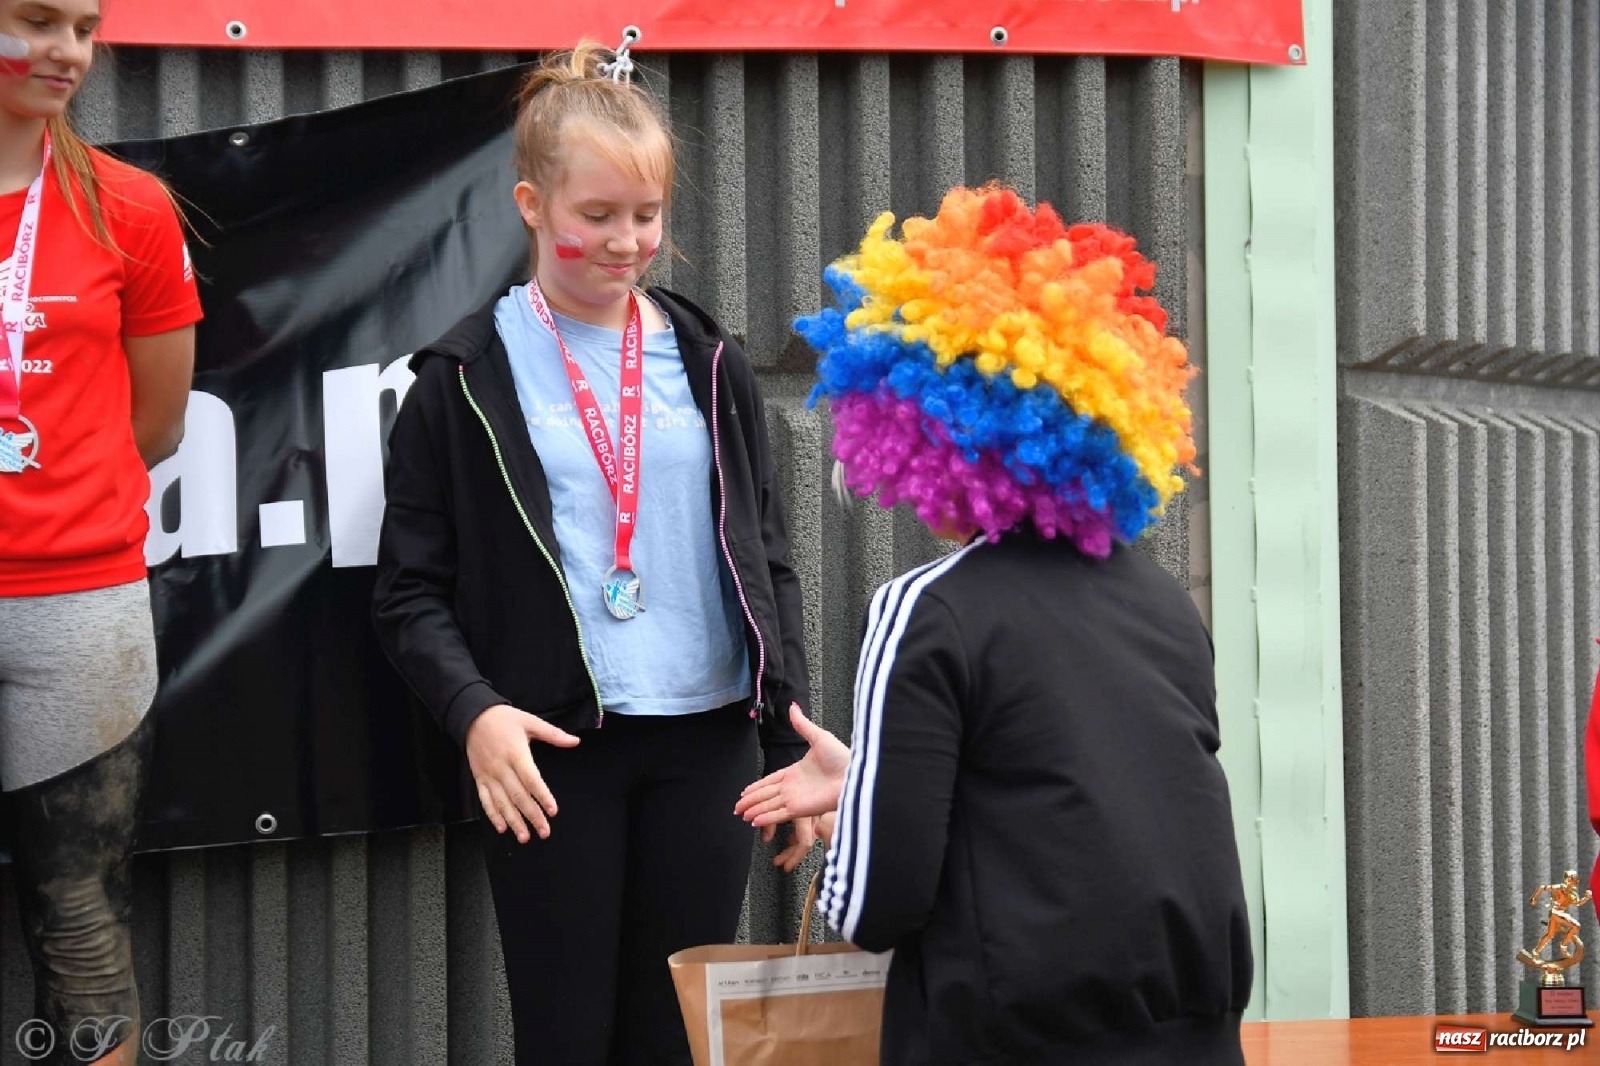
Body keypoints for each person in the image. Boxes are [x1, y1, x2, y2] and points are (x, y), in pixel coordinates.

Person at [738, 186, 1254, 1064]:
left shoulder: (927, 608)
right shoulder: (1166, 603)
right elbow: (1063, 796)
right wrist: (871, 775)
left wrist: (859, 805)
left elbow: (874, 908)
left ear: (924, 431)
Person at [372, 39, 812, 1066]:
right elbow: (407, 594)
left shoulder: (707, 360)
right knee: (566, 1038)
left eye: (646, 217)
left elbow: (767, 557)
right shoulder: (462, 376)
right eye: (596, 217)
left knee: (673, 1039)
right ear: (532, 205)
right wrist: (475, 714)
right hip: (554, 749)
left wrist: (787, 738)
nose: (626, 244)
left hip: (708, 746)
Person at [0, 2, 201, 1063]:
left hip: (80, 608)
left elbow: (158, 420)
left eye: (84, 25)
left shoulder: (129, 208)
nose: (69, 50)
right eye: (36, 20)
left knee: (80, 919)